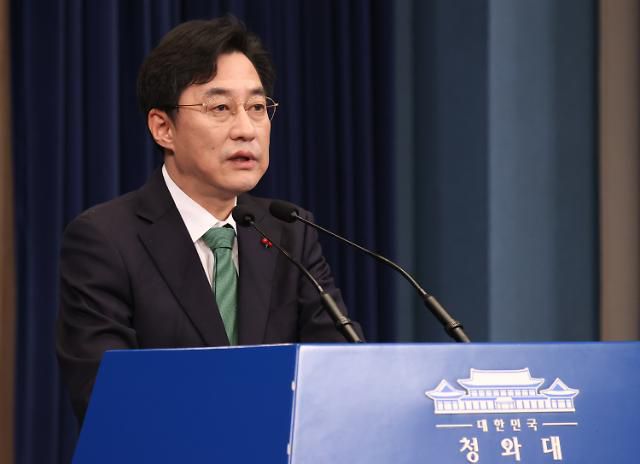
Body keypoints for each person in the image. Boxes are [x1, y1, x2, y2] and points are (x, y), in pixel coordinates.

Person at [56, 15, 361, 425]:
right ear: (163, 127)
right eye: (220, 108)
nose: (246, 130)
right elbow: (108, 400)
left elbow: (340, 375)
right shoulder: (106, 240)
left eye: (257, 107)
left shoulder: (289, 231)